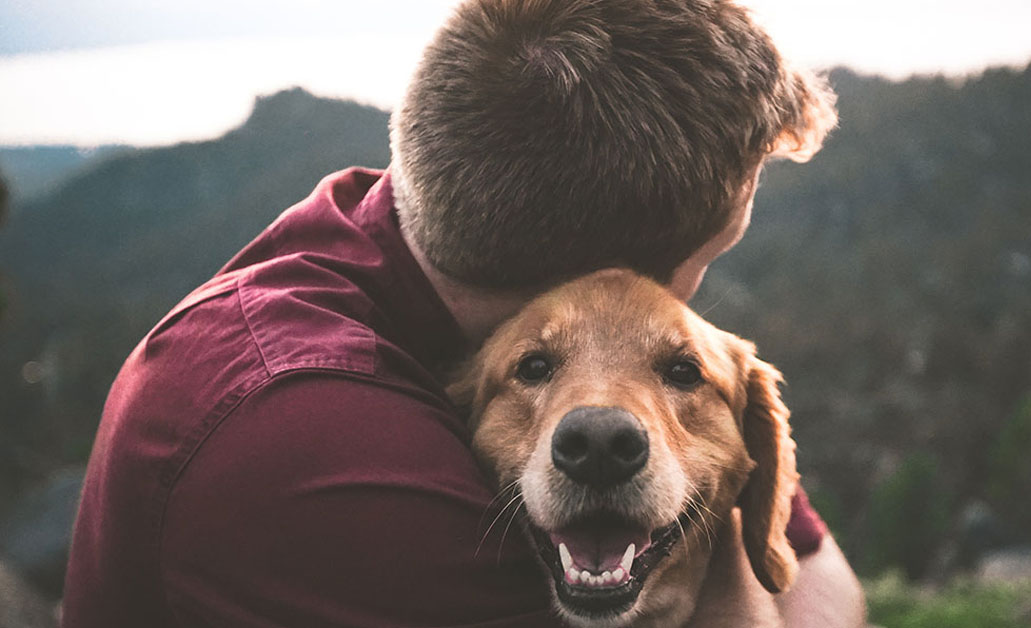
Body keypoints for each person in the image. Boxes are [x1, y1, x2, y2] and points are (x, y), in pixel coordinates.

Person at [62, 0, 864, 626]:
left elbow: (818, 571)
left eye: (676, 360)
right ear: (606, 277)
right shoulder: (308, 441)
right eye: (709, 259)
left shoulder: (406, 228)